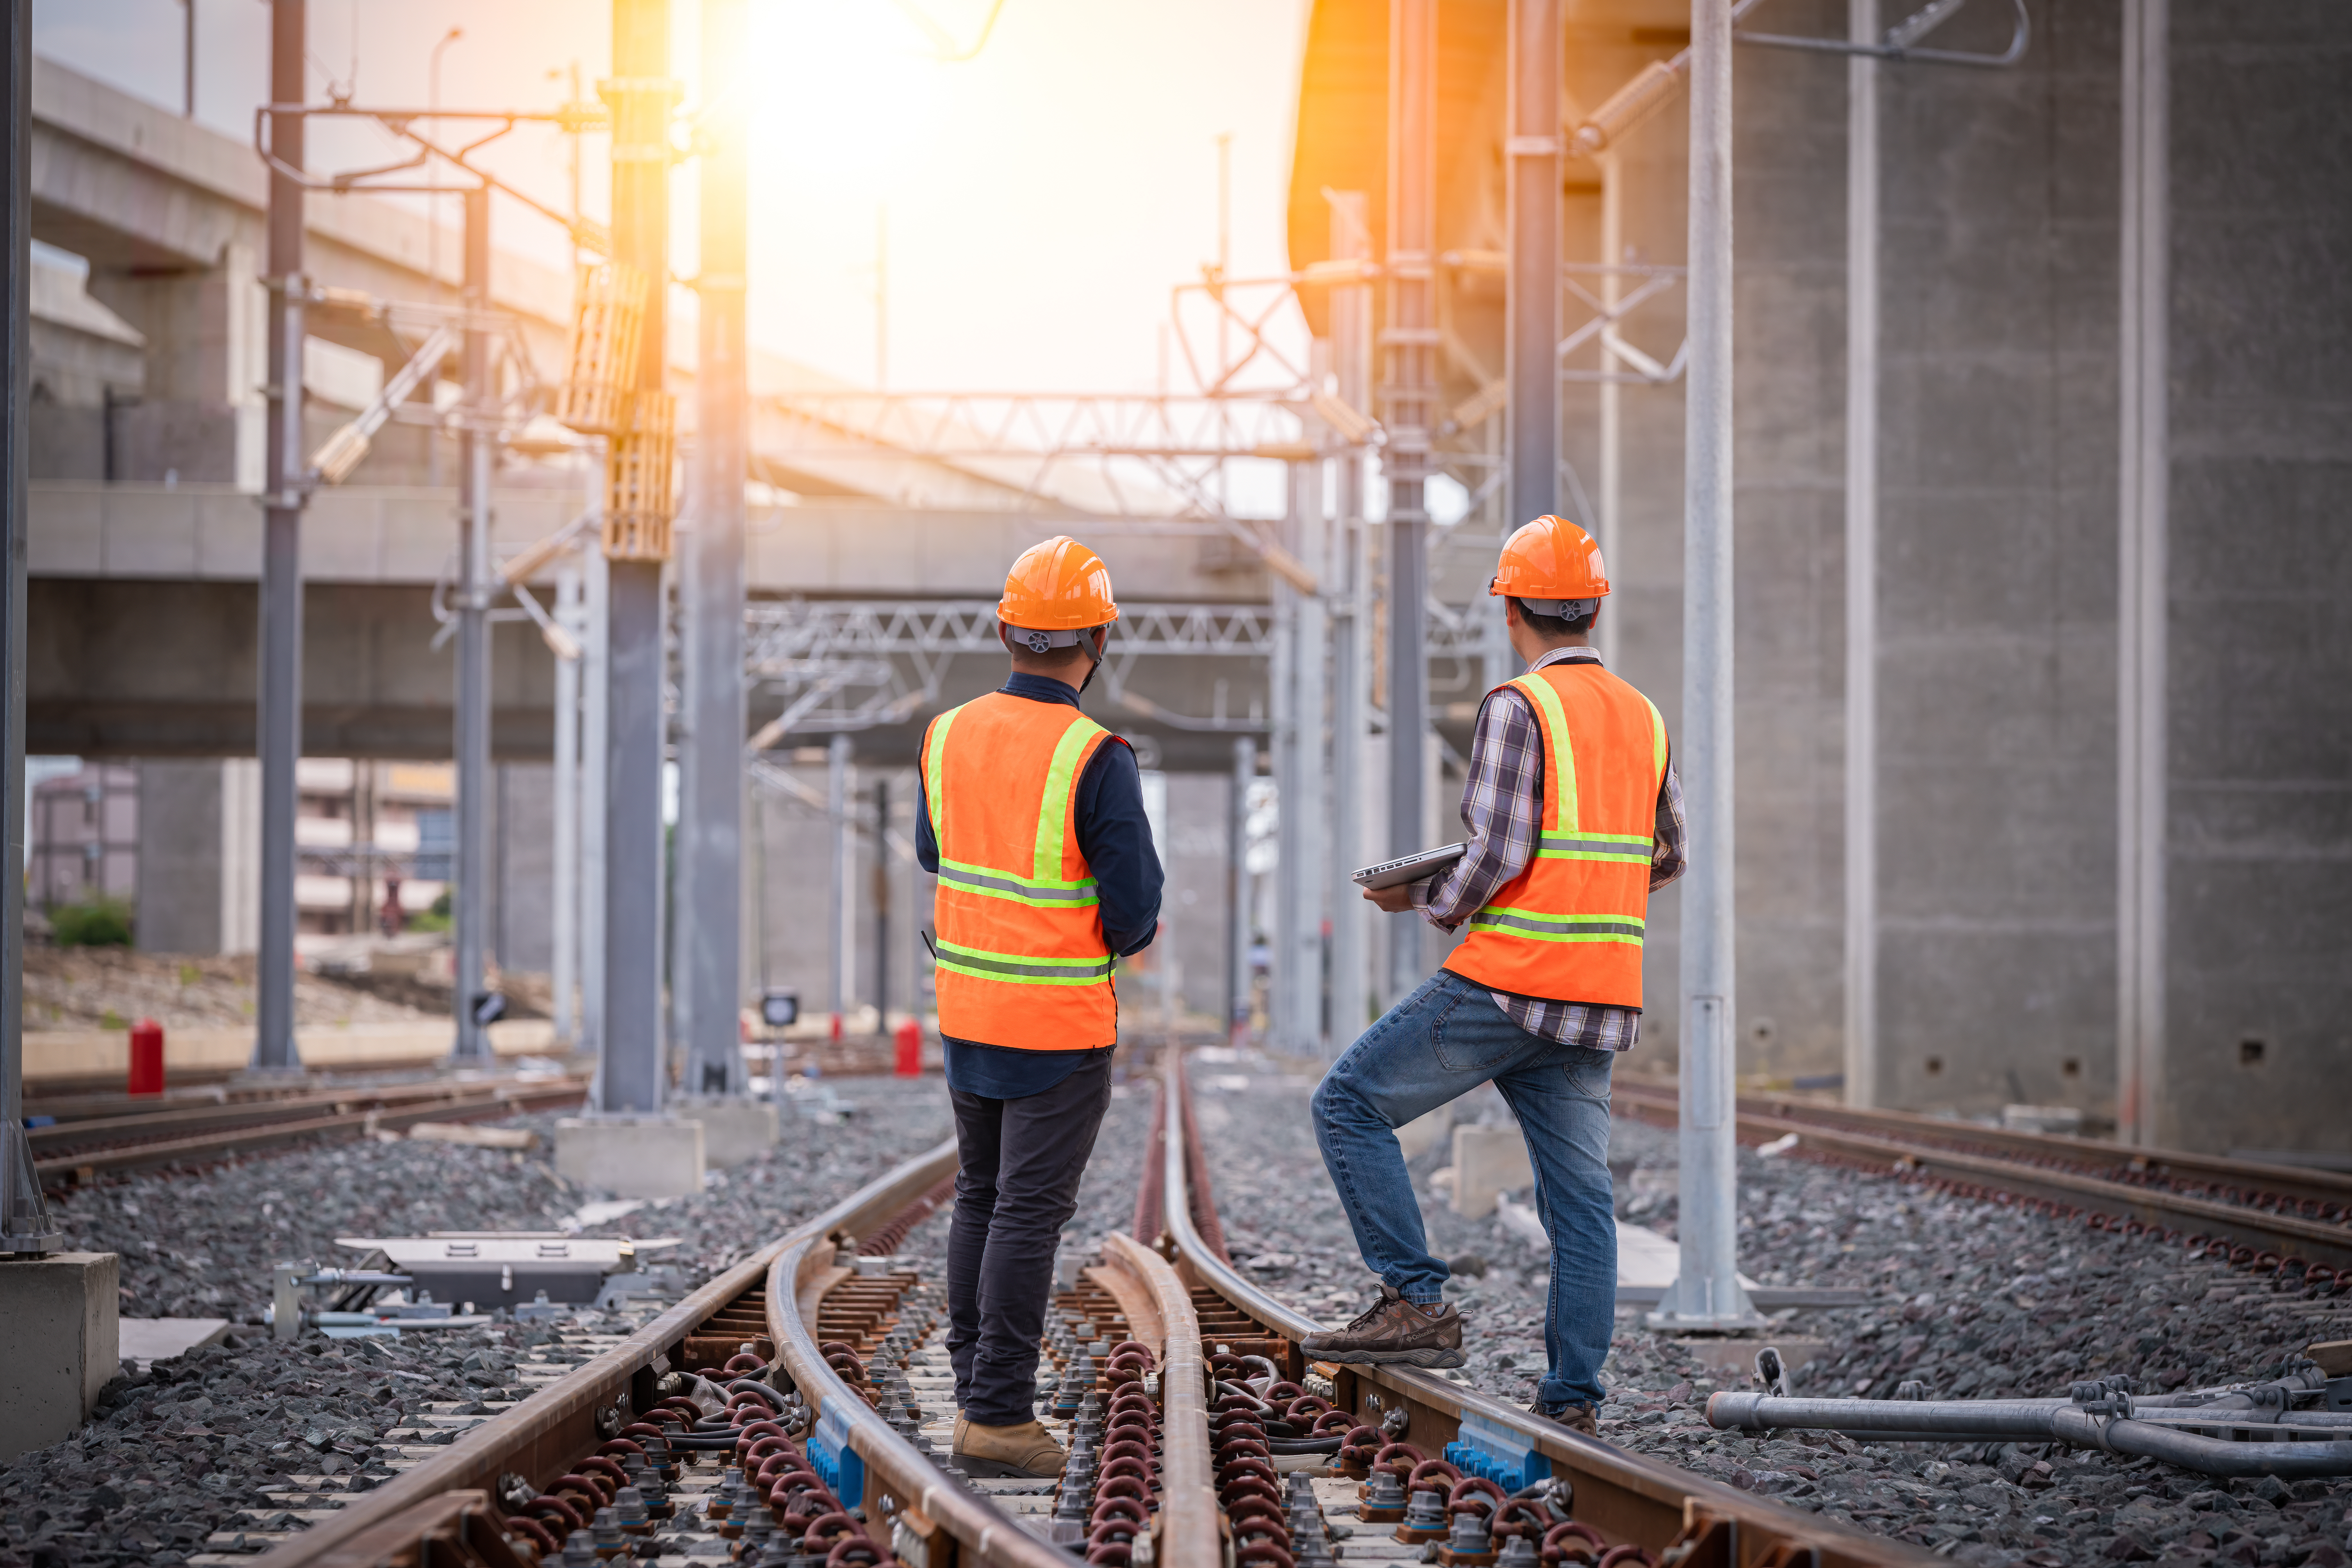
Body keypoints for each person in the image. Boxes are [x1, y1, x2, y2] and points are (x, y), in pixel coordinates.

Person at [1304, 515, 1686, 1438]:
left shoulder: (1520, 707)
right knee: (1582, 1204)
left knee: (1349, 1103)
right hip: (1598, 995)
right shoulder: (1644, 715)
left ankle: (1417, 1301)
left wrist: (1424, 896)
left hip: (1511, 982)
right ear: (1593, 607)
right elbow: (1667, 856)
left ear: (1511, 609)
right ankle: (1573, 1399)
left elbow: (1500, 850)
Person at [914, 535, 1164, 1478]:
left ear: (1006, 630)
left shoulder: (946, 733)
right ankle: (998, 1415)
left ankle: (976, 1384)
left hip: (968, 1012)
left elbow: (939, 855)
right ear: (1099, 639)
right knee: (1025, 1211)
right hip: (1056, 1027)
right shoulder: (1096, 756)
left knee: (982, 1196)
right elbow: (1135, 916)